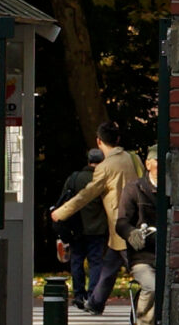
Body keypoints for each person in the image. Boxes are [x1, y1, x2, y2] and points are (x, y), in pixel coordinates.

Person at [50, 122, 141, 314]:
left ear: (99, 141)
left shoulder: (104, 168)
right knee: (109, 265)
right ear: (117, 139)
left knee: (139, 270)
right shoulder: (133, 158)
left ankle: (153, 302)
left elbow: (86, 195)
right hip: (137, 221)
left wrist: (62, 212)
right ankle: (96, 302)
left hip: (121, 226)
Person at [51, 149, 107, 306]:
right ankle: (93, 296)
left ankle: (78, 295)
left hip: (77, 226)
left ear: (88, 160)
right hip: (98, 227)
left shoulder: (75, 178)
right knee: (96, 261)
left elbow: (65, 200)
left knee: (77, 260)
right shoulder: (102, 178)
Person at [123, 152, 161, 325]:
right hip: (143, 256)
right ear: (147, 164)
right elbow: (121, 222)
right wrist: (132, 234)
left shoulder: (173, 189)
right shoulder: (134, 188)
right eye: (156, 160)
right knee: (152, 285)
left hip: (169, 253)